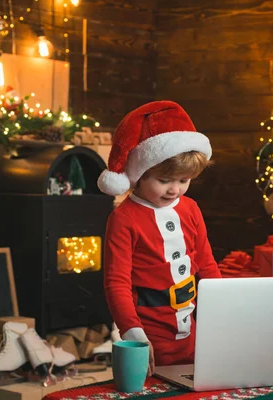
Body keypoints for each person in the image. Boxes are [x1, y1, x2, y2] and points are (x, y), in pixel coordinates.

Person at [97, 100, 222, 374]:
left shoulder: (191, 209)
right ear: (140, 173)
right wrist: (132, 332)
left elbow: (206, 264)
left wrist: (224, 309)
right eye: (164, 180)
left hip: (193, 334)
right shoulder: (124, 218)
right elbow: (117, 283)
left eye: (184, 181)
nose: (174, 190)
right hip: (149, 338)